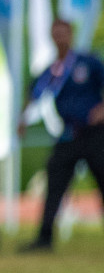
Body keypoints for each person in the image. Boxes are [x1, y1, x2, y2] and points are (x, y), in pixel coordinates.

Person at [19, 18, 104, 251]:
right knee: (55, 184)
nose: (60, 37)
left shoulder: (88, 62)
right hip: (67, 135)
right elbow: (33, 92)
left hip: (94, 134)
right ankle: (44, 238)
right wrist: (22, 119)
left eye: (63, 32)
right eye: (55, 33)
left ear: (71, 34)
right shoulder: (51, 70)